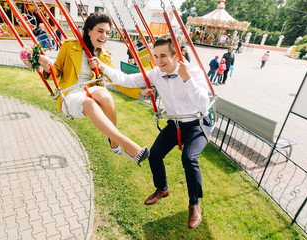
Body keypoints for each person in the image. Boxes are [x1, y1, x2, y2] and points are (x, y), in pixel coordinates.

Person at [89, 35, 212, 229]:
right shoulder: (156, 73)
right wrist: (103, 68)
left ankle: (194, 203)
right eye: (156, 56)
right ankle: (162, 188)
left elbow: (204, 105)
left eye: (163, 56)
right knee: (154, 155)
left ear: (176, 56)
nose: (159, 61)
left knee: (189, 158)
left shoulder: (193, 72)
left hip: (198, 122)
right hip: (176, 123)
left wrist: (187, 78)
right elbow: (127, 80)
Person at [38, 12, 149, 164]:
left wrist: (139, 92)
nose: (104, 36)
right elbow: (56, 72)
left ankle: (114, 141)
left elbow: (115, 80)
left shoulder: (104, 56)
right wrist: (47, 67)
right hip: (71, 91)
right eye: (100, 31)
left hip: (92, 89)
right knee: (89, 103)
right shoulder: (70, 46)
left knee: (106, 96)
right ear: (89, 30)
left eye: (108, 33)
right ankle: (127, 144)